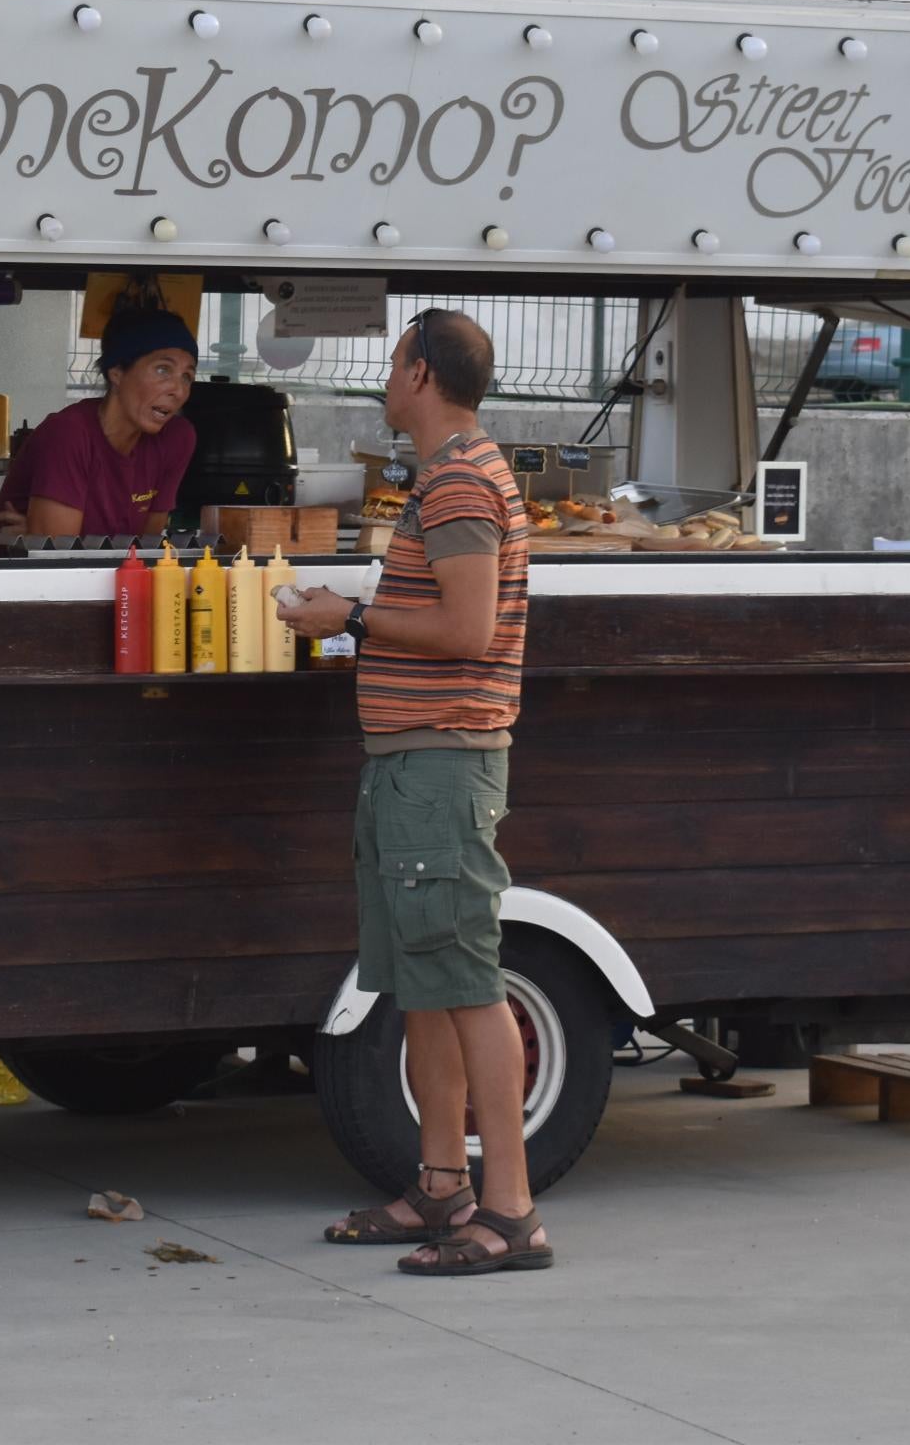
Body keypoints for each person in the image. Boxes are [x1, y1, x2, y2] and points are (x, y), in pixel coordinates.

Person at [282, 308, 547, 1275]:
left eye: (395, 361)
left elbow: (470, 630)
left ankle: (511, 1211)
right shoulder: (446, 477)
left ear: (423, 374)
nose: (385, 377)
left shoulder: (464, 480)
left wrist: (349, 614)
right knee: (424, 986)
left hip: (441, 766)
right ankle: (443, 1183)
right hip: (411, 765)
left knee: (467, 983)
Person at [0, 306, 198, 551]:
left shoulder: (176, 438)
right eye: (163, 370)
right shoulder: (68, 433)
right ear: (116, 372)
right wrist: (50, 541)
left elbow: (144, 549)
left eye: (187, 376)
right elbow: (60, 561)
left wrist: (43, 535)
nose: (178, 390)